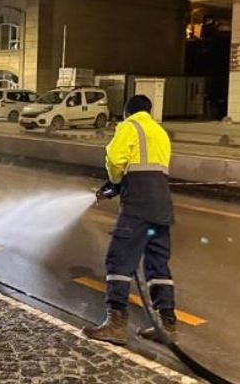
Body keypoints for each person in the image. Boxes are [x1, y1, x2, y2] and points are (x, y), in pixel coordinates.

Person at [82, 94, 176, 345]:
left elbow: (115, 159)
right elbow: (145, 167)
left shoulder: (130, 126)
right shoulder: (160, 132)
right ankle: (167, 324)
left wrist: (113, 182)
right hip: (162, 204)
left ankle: (116, 323)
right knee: (158, 264)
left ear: (127, 112)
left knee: (119, 259)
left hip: (138, 205)